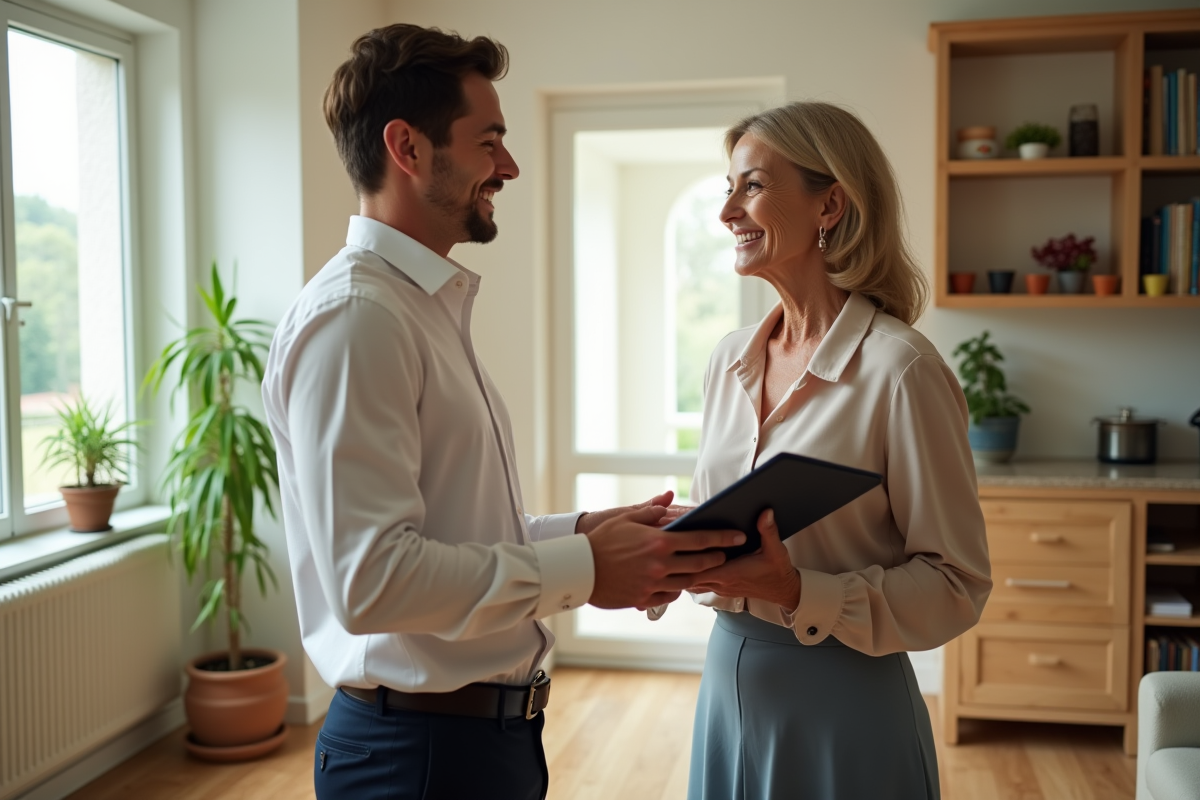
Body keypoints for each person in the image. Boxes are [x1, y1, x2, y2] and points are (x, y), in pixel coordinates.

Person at [261, 24, 743, 800]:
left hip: (474, 744)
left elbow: (446, 535)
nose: (509, 166)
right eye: (489, 142)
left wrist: (585, 533)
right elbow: (373, 580)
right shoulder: (359, 318)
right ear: (407, 148)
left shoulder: (417, 309)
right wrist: (588, 569)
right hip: (418, 758)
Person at [657, 102, 993, 799]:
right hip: (726, 688)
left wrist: (797, 591)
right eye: (728, 188)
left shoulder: (901, 370)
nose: (727, 212)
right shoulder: (728, 360)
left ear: (830, 204)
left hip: (845, 705)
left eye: (752, 186)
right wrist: (679, 548)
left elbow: (956, 585)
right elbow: (730, 524)